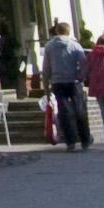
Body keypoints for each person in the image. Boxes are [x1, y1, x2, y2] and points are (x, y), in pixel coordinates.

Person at [39, 21, 90, 151]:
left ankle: (70, 142)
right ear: (68, 31)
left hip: (57, 82)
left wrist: (46, 87)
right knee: (79, 110)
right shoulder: (75, 46)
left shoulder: (49, 47)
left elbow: (46, 68)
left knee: (64, 111)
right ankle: (85, 140)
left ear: (56, 31)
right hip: (74, 82)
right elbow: (84, 64)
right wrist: (81, 77)